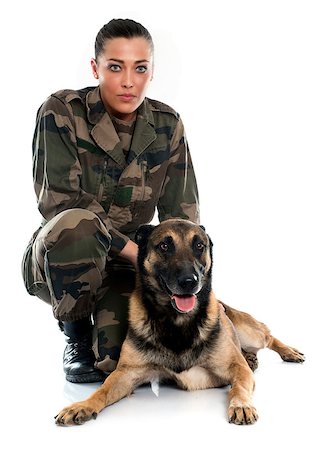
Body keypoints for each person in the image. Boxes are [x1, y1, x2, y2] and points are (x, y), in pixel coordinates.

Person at [21, 18, 199, 383]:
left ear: (152, 72)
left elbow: (182, 219)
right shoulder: (62, 111)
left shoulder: (167, 125)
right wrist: (138, 253)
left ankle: (107, 343)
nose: (129, 81)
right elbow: (59, 203)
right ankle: (76, 337)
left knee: (120, 362)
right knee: (77, 224)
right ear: (95, 68)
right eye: (115, 67)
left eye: (141, 68)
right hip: (64, 256)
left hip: (127, 268)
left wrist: (185, 280)